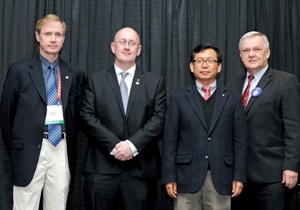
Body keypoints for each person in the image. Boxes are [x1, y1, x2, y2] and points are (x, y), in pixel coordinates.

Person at [0, 14, 85, 210]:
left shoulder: (75, 74)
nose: (53, 39)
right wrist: (18, 144)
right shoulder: (19, 71)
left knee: (57, 206)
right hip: (28, 151)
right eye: (48, 34)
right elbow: (6, 116)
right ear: (38, 36)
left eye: (58, 34)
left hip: (61, 149)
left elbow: (78, 116)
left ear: (64, 38)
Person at [79, 27, 167, 210]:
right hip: (101, 170)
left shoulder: (155, 82)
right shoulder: (95, 80)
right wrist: (116, 146)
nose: (127, 47)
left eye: (132, 43)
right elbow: (87, 116)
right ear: (113, 47)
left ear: (139, 49)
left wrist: (132, 146)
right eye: (122, 42)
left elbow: (159, 118)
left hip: (140, 171)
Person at [161, 43, 248, 210]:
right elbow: (169, 141)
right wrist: (169, 177)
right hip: (186, 177)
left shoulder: (233, 98)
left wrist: (239, 176)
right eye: (199, 61)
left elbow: (241, 141)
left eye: (210, 60)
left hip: (222, 177)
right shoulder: (178, 98)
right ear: (191, 67)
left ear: (219, 66)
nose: (205, 65)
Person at [228, 31, 300, 210]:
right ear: (240, 55)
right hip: (240, 179)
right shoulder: (232, 85)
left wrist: (291, 167)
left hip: (274, 178)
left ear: (267, 53)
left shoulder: (285, 82)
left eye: (257, 49)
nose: (251, 54)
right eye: (246, 50)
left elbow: (294, 129)